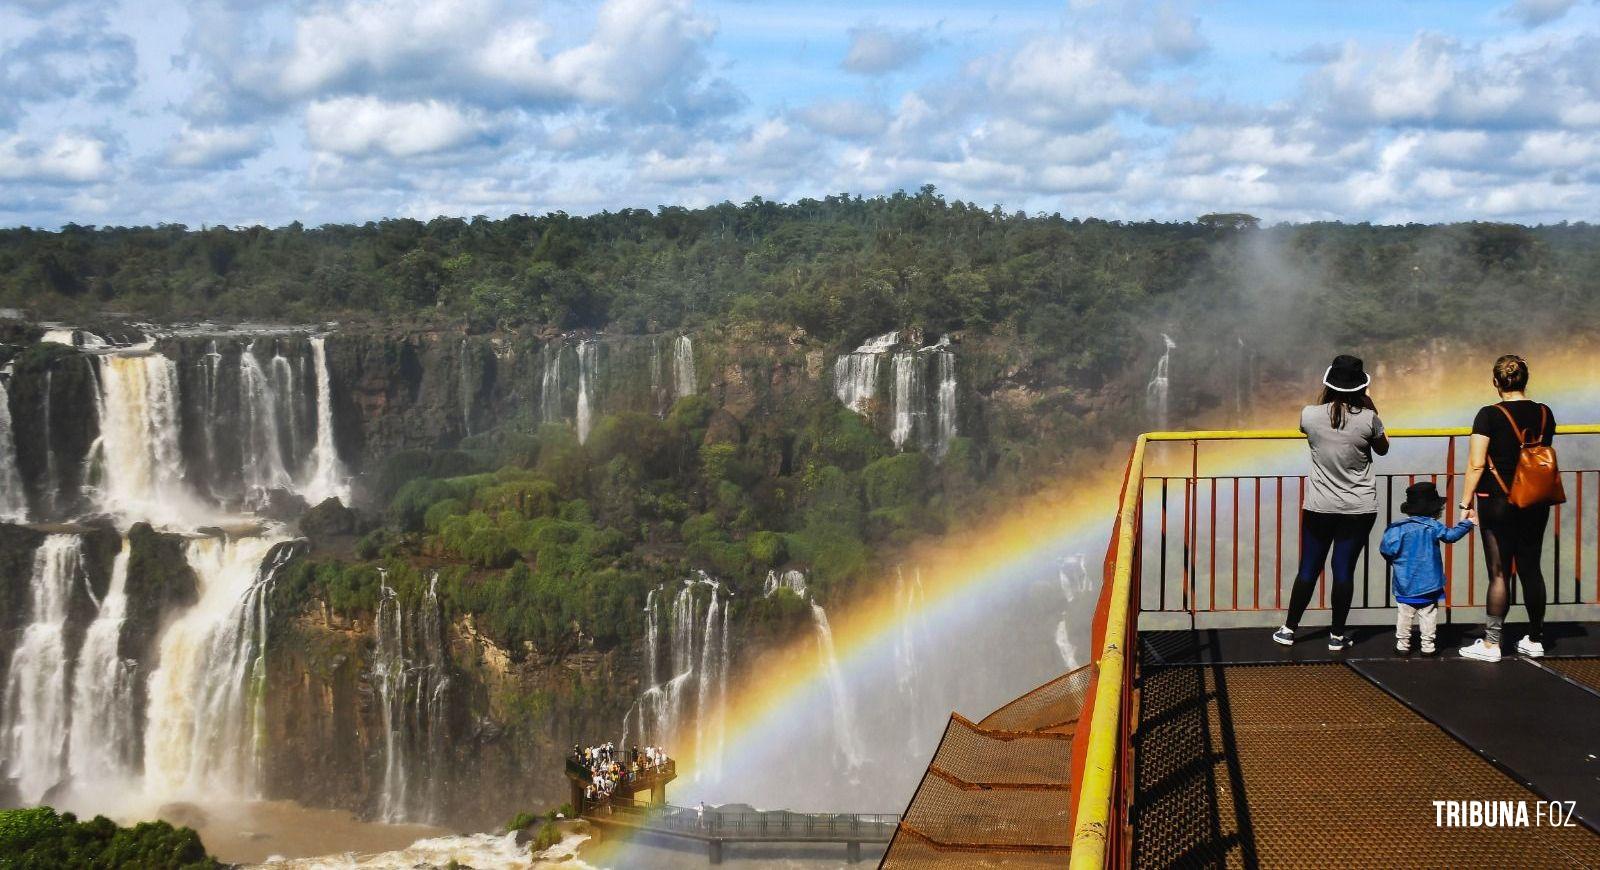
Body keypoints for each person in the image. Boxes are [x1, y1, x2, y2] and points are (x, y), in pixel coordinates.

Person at [1273, 355, 1389, 651]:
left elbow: (1310, 432)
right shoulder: (1368, 420)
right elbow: (1383, 448)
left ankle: (1289, 629)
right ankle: (1337, 635)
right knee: (1344, 570)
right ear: (1361, 387)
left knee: (1309, 568)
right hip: (1358, 509)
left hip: (1319, 506)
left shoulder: (1309, 415)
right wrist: (1371, 408)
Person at [1458, 355, 1556, 662]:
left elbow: (1476, 463)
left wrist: (1465, 503)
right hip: (1535, 499)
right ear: (1526, 379)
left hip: (1496, 500)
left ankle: (1491, 643)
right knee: (1531, 568)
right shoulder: (1544, 413)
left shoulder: (1488, 415)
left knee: (1499, 573)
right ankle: (1536, 638)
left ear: (1496, 382)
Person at [1380, 482, 1473, 656]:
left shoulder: (1396, 528)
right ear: (1434, 510)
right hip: (1430, 584)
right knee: (1428, 614)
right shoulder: (1433, 526)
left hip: (1404, 584)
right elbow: (1451, 536)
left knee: (1404, 615)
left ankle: (1402, 645)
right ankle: (1428, 646)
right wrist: (1467, 524)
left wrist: (1397, 563)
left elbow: (1386, 549)